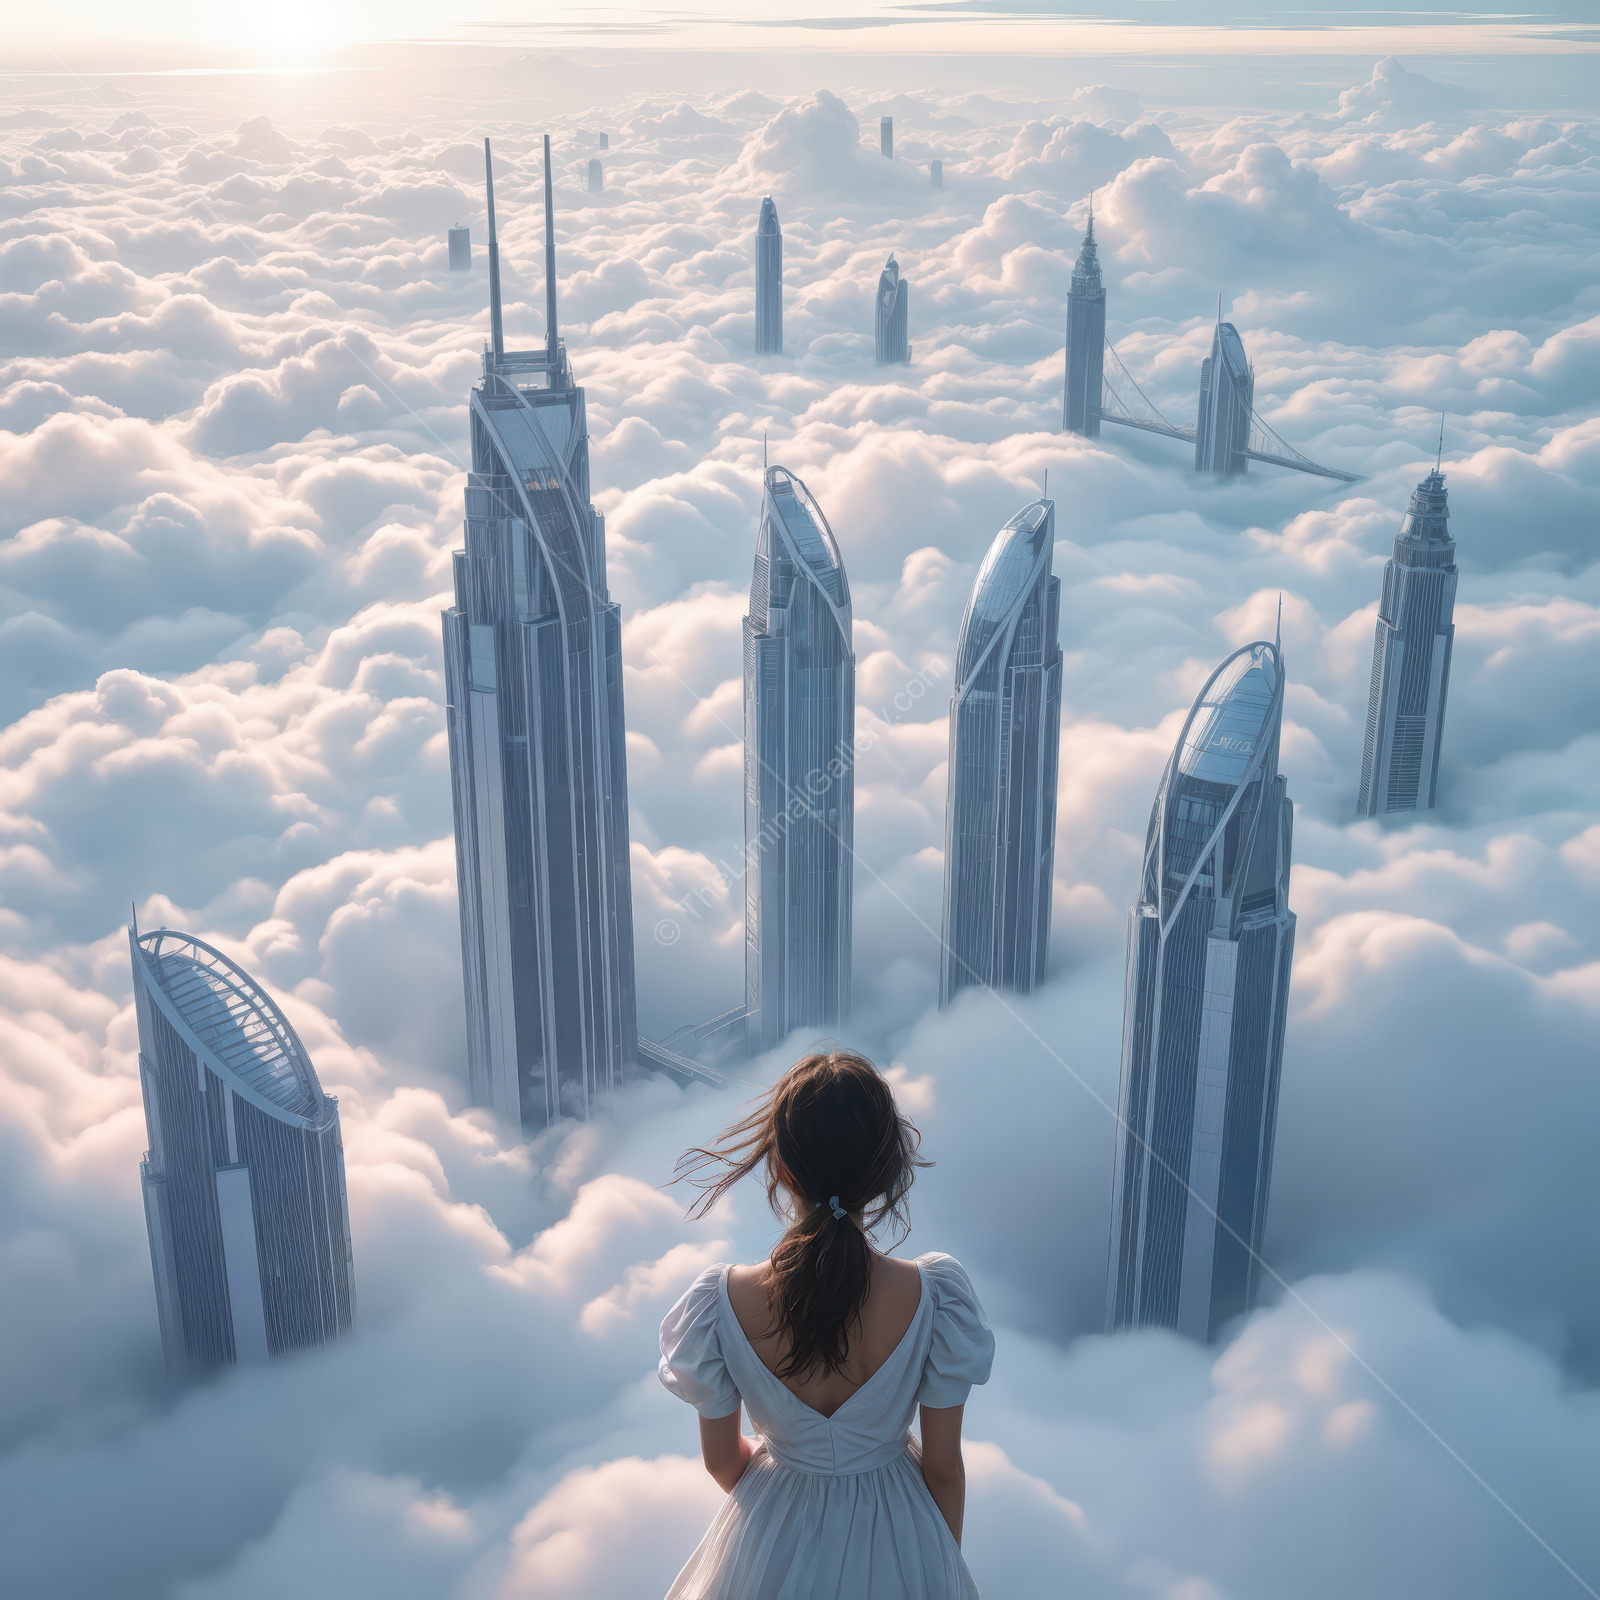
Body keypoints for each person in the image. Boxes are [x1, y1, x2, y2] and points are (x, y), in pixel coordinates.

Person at [658, 1050, 995, 1599]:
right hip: (902, 1528)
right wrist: (936, 1561)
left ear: (781, 1169)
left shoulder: (720, 1302)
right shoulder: (934, 1297)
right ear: (886, 1170)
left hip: (769, 1532)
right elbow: (942, 1469)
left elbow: (722, 1460)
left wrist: (790, 1493)